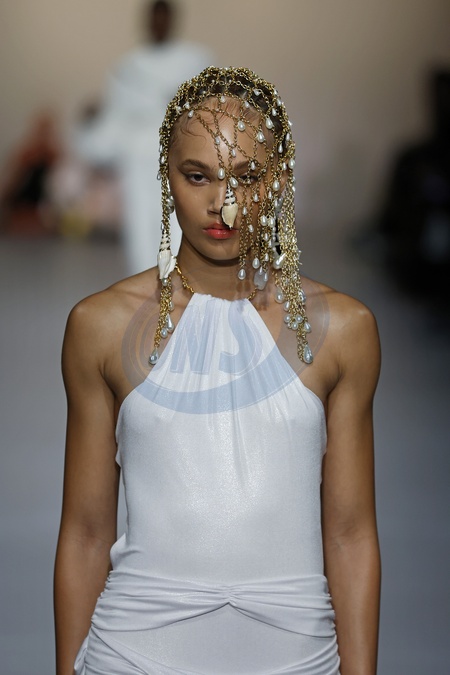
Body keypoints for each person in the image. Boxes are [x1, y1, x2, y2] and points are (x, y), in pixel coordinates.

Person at [54, 66, 381, 674]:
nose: (222, 204)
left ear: (280, 179)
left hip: (296, 656)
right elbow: (85, 532)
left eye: (247, 176)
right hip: (133, 653)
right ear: (166, 176)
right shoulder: (99, 327)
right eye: (198, 175)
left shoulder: (345, 332)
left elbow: (351, 533)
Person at [74, 0, 214, 273]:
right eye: (154, 18)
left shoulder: (195, 60)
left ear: (172, 20)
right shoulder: (127, 68)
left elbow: (210, 106)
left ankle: (180, 281)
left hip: (180, 154)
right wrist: (92, 122)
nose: (158, 23)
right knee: (140, 223)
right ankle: (144, 283)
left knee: (179, 217)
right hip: (138, 156)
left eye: (163, 17)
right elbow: (115, 117)